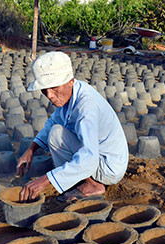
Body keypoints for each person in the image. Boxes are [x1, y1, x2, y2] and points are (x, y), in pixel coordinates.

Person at [16, 51, 129, 203]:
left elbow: (89, 158)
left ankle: (92, 185)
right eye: (44, 89)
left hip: (108, 166)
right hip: (99, 155)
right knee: (55, 130)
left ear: (70, 81)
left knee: (57, 135)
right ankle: (81, 180)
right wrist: (31, 150)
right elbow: (52, 123)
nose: (49, 95)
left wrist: (45, 180)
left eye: (54, 87)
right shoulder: (71, 93)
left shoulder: (86, 108)